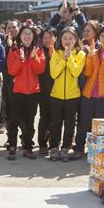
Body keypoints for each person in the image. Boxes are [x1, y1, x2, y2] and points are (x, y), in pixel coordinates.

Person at [73, 25, 104, 160]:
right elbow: (87, 72)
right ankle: (78, 148)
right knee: (83, 122)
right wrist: (89, 57)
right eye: (103, 36)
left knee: (98, 127)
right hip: (88, 94)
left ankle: (93, 152)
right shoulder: (94, 53)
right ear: (99, 38)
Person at [6, 24, 46, 160]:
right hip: (17, 91)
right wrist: (21, 59)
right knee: (14, 121)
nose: (27, 36)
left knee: (29, 122)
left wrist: (35, 58)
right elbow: (11, 71)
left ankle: (28, 147)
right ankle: (12, 146)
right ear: (20, 36)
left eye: (30, 34)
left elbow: (40, 70)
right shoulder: (14, 50)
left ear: (34, 36)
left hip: (33, 92)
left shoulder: (38, 50)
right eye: (24, 34)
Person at [49, 27, 86, 162]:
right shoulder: (56, 53)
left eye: (71, 38)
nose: (68, 41)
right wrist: (63, 59)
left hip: (73, 95)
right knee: (55, 123)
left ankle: (65, 148)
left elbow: (76, 72)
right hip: (56, 95)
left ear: (76, 39)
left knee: (70, 123)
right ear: (60, 39)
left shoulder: (81, 54)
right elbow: (53, 73)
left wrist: (69, 57)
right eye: (65, 38)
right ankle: (54, 147)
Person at [0, 19, 20, 135]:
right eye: (9, 27)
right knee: (7, 107)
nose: (11, 30)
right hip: (6, 79)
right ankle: (10, 136)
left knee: (19, 109)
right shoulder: (2, 42)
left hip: (20, 79)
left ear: (19, 28)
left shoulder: (24, 40)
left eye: (14, 27)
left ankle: (23, 137)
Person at [37, 28, 56, 156]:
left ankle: (54, 143)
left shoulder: (59, 52)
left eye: (50, 37)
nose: (47, 40)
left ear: (55, 38)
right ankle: (42, 144)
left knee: (55, 118)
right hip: (43, 90)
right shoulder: (38, 51)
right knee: (44, 117)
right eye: (44, 37)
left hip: (57, 89)